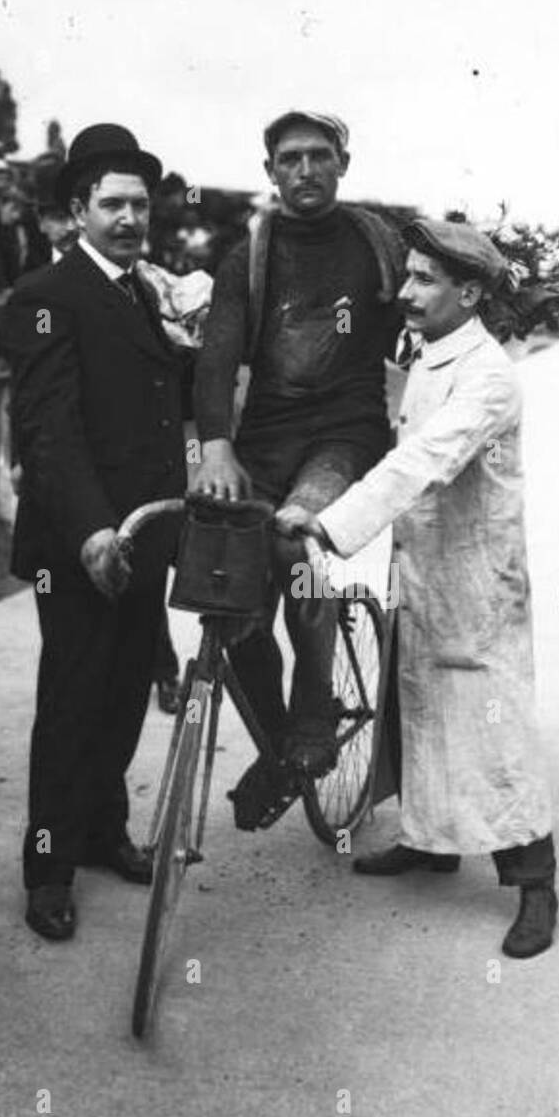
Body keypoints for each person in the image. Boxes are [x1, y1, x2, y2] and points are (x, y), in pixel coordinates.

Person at [277, 219, 559, 959]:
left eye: (424, 279)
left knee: (490, 723)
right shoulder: (435, 354)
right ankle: (432, 842)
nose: (404, 292)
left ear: (470, 292)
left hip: (474, 578)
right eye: (405, 276)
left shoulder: (488, 376)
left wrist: (330, 525)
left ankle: (535, 881)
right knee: (421, 703)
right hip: (425, 567)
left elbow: (424, 461)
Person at [193, 109, 403, 826]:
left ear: (343, 163)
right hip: (263, 442)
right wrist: (216, 444)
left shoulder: (380, 244)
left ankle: (313, 718)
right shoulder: (247, 256)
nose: (306, 169)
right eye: (290, 158)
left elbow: (436, 310)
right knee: (229, 596)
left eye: (319, 156)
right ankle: (280, 743)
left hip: (344, 436)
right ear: (270, 172)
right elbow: (217, 356)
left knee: (294, 543)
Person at [3, 123, 187, 941]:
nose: (129, 217)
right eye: (112, 203)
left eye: (139, 203)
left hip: (145, 536)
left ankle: (103, 830)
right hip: (80, 545)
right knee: (73, 702)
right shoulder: (45, 294)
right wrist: (89, 533)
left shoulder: (143, 291)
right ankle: (48, 868)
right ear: (79, 209)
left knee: (121, 697)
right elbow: (48, 428)